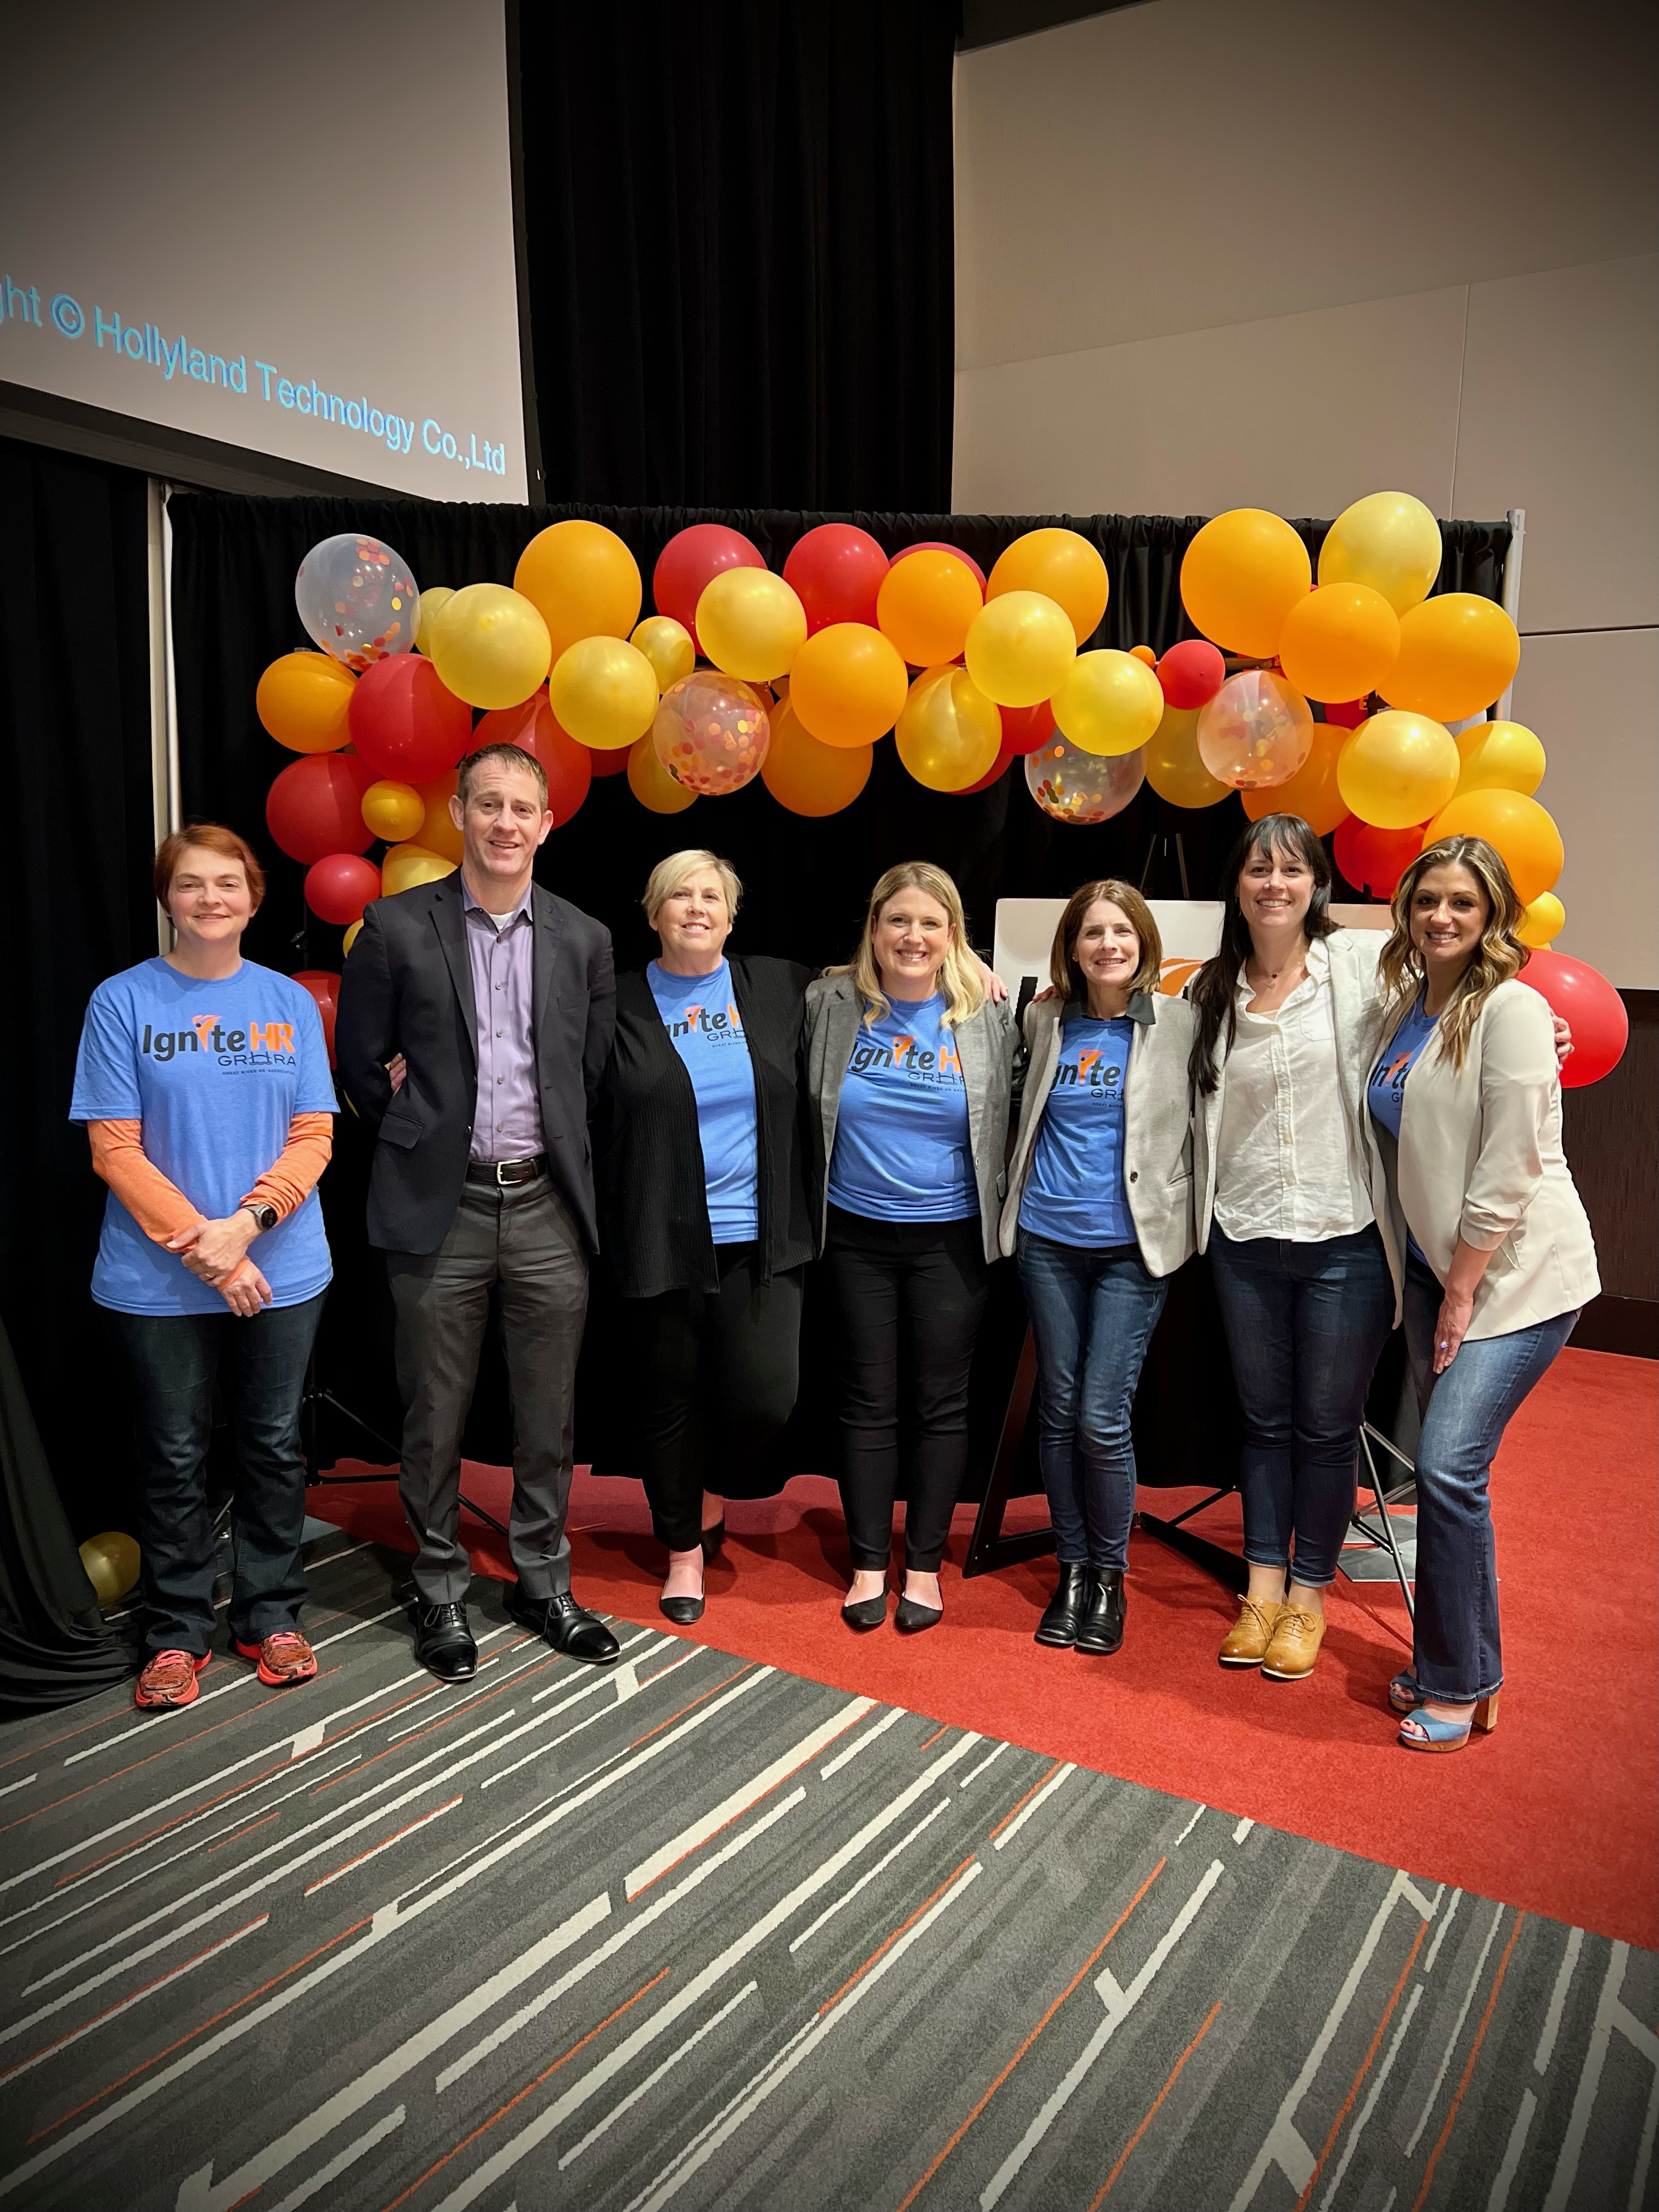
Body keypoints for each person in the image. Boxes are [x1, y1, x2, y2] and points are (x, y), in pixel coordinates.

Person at [336, 741, 618, 1682]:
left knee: (550, 1414)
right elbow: (359, 1070)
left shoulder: (582, 938)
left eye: (522, 808)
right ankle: (440, 1587)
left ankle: (543, 1579)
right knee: (434, 1412)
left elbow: (588, 1079)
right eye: (487, 805)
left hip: (546, 1206)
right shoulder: (393, 927)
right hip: (439, 1208)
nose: (505, 823)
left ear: (548, 823)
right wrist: (419, 1126)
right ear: (458, 813)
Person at [70, 825, 334, 1710]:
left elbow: (314, 1134)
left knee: (271, 1444)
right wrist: (212, 1251)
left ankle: (271, 1614)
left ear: (254, 900)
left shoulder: (289, 1003)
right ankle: (177, 1629)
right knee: (175, 1453)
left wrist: (249, 1226)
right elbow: (115, 1149)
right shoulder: (122, 1002)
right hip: (156, 1281)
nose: (211, 898)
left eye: (229, 883)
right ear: (167, 898)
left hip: (282, 1263)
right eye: (192, 884)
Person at [1366, 837, 1596, 1751]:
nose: (1443, 918)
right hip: (1435, 1269)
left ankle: (1459, 1684)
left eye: (1463, 902)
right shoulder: (1404, 1007)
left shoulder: (1512, 1008)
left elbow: (1511, 1165)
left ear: (1493, 912)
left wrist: (1461, 1289)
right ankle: (1457, 1666)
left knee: (1453, 1467)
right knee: (1450, 1480)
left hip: (1517, 1277)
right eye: (1428, 901)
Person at [1189, 815, 1402, 1683]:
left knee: (1323, 1430)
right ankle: (1261, 1587)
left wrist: (1543, 1028)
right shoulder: (1208, 990)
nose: (1274, 883)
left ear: (1318, 883)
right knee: (1264, 1422)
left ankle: (1308, 1598)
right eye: (1257, 869)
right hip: (1243, 1237)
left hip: (1344, 1238)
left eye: (1292, 868)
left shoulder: (1359, 966)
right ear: (1236, 886)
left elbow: (1470, 985)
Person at [592, 850, 815, 1626]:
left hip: (763, 1237)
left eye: (710, 895)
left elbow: (888, 984)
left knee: (765, 1399)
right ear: (652, 915)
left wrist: (978, 973)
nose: (695, 907)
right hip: (658, 1235)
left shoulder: (783, 986)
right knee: (667, 1401)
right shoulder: (614, 1001)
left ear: (731, 913)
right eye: (677, 896)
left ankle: (709, 1492)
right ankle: (682, 1545)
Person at [805, 862, 1017, 1633]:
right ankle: (868, 1563)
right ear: (874, 928)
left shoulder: (989, 1016)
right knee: (865, 1402)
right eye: (898, 921)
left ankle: (923, 1567)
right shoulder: (830, 1003)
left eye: (931, 923)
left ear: (953, 934)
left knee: (940, 1405)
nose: (913, 936)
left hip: (952, 1240)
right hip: (854, 1235)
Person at [1000, 881, 1196, 1656]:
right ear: (1072, 949)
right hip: (1049, 1239)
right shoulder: (1045, 1018)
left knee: (1099, 1417)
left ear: (1144, 942)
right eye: (1092, 934)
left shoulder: (1181, 1021)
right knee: (1058, 1407)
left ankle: (1108, 1578)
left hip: (1132, 1250)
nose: (1108, 945)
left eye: (1122, 931)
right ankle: (1071, 1569)